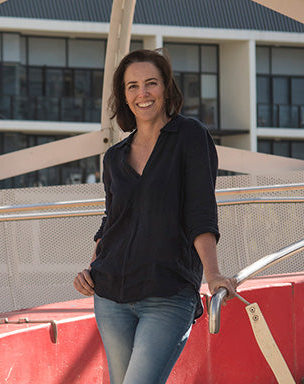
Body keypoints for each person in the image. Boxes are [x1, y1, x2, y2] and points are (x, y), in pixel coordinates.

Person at [72, 49, 238, 384]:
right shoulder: (115, 157)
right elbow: (112, 220)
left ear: (166, 88)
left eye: (151, 83)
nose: (142, 93)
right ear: (124, 96)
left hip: (168, 294)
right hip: (111, 297)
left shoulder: (190, 136)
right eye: (132, 86)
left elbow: (201, 210)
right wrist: (91, 267)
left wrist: (213, 273)